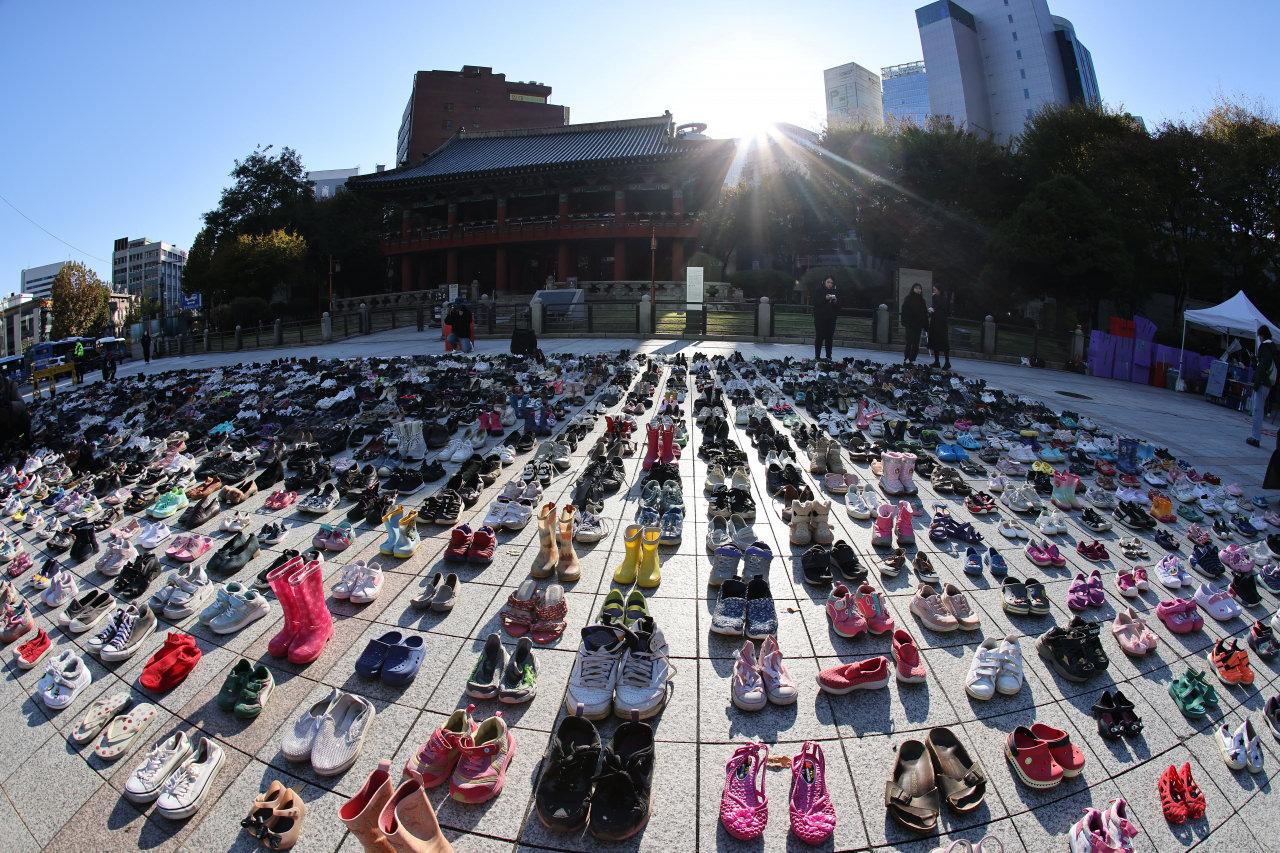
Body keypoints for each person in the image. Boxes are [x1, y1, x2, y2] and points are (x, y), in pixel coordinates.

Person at [1247, 325, 1276, 448]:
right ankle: (1255, 436)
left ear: (1262, 335)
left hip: (1262, 383)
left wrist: (1256, 384)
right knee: (1260, 409)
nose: (1259, 338)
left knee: (1257, 410)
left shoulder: (1265, 346)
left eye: (1259, 336)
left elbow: (1263, 366)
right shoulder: (1273, 347)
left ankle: (1255, 438)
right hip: (1268, 383)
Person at [811, 276, 840, 361]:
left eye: (831, 282)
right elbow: (816, 303)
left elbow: (839, 306)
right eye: (828, 282)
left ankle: (828, 356)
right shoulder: (818, 290)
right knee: (819, 337)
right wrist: (825, 298)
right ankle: (817, 356)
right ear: (824, 282)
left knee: (829, 338)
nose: (830, 284)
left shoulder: (835, 291)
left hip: (831, 318)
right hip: (820, 318)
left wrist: (835, 301)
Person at [900, 282, 930, 364]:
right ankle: (906, 358)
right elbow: (904, 311)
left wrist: (926, 324)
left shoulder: (922, 300)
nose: (918, 290)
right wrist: (905, 322)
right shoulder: (908, 299)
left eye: (919, 288)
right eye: (916, 288)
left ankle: (913, 359)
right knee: (909, 342)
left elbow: (924, 313)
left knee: (916, 344)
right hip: (909, 324)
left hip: (918, 325)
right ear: (913, 289)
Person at [929, 284, 952, 370]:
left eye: (935, 289)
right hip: (934, 322)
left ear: (939, 290)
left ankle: (947, 362)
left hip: (941, 322)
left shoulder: (943, 298)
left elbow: (943, 309)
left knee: (944, 342)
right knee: (935, 341)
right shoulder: (935, 297)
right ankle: (937, 361)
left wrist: (933, 310)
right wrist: (931, 309)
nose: (934, 291)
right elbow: (934, 306)